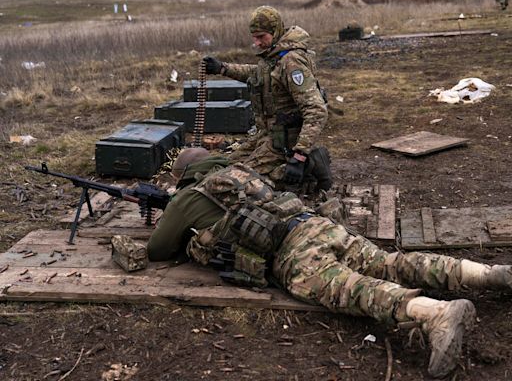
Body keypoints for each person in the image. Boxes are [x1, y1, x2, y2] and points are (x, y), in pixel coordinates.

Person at [147, 148, 512, 379]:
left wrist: (169, 211)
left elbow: (158, 249)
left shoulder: (186, 198)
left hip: (292, 254)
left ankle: (435, 314)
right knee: (389, 263)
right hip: (318, 224)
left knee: (354, 290)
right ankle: (488, 274)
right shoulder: (239, 171)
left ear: (184, 175)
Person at [202, 6, 331, 191]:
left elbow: (316, 110)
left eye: (261, 36)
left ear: (275, 31)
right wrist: (222, 68)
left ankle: (310, 166)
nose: (257, 43)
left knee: (233, 183)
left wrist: (300, 155)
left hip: (285, 144)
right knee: (226, 164)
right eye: (254, 37)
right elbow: (258, 73)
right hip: (268, 135)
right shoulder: (274, 56)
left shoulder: (291, 61)